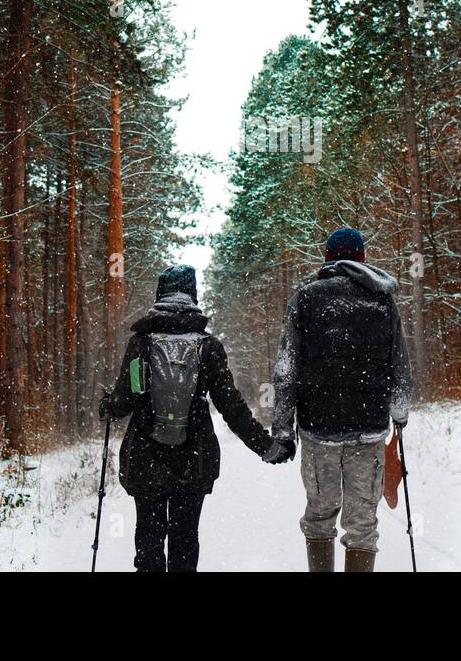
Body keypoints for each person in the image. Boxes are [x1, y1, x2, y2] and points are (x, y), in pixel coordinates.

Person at [100, 264, 288, 571]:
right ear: (193, 295)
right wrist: (265, 446)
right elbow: (232, 406)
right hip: (194, 460)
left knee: (148, 537)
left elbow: (127, 398)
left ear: (160, 294)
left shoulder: (141, 344)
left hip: (146, 460)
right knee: (185, 537)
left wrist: (109, 405)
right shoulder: (208, 347)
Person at [268, 227, 413, 572]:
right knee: (363, 525)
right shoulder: (382, 301)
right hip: (369, 429)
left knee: (319, 517)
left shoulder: (305, 298)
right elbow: (400, 367)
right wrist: (399, 413)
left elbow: (286, 369)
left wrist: (283, 431)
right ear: (361, 257)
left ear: (328, 257)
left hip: (319, 432)